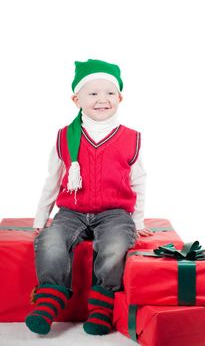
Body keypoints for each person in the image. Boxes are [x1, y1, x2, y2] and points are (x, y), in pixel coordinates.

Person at [25, 59, 153, 336]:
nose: (102, 100)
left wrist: (138, 219)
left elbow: (139, 180)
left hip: (114, 212)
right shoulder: (64, 137)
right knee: (51, 240)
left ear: (120, 97)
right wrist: (41, 217)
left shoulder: (131, 138)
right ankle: (49, 299)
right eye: (92, 93)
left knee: (115, 244)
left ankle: (102, 306)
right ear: (76, 99)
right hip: (72, 211)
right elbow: (52, 179)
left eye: (109, 93)